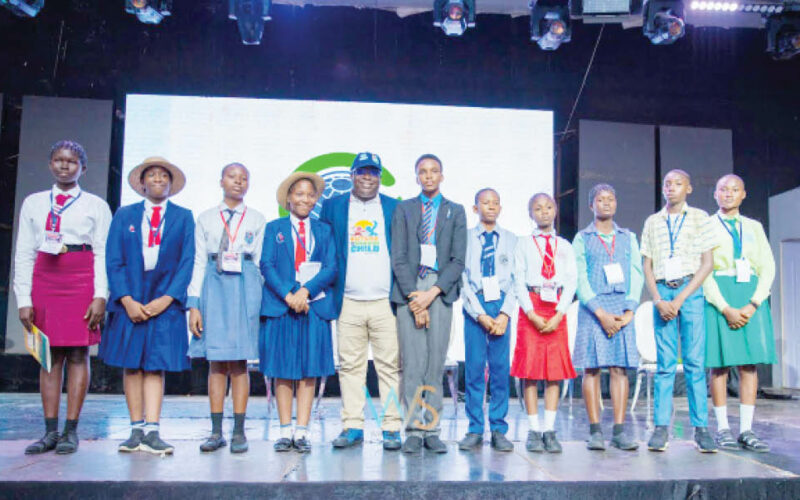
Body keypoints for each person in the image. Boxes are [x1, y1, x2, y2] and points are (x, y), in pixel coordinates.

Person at [14, 140, 112, 455]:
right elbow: (24, 252)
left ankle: (71, 431)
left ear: (83, 167)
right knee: (49, 356)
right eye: (59, 160)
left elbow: (103, 253)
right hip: (46, 277)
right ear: (50, 164)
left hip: (82, 276)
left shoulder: (95, 204)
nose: (65, 165)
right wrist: (23, 298)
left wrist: (100, 295)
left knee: (79, 354)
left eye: (72, 161)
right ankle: (49, 432)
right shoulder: (33, 202)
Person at [99, 156, 195, 456]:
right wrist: (126, 299)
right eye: (151, 175)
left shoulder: (182, 216)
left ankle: (153, 430)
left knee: (155, 366)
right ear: (142, 183)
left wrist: (167, 299)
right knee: (132, 364)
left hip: (164, 300)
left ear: (170, 183)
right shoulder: (125, 215)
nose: (158, 180)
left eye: (163, 176)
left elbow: (187, 261)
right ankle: (135, 429)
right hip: (132, 298)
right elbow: (113, 260)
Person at [320, 152, 402, 451]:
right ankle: (352, 426)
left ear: (379, 177)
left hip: (384, 301)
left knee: (389, 368)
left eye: (373, 173)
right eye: (362, 172)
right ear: (352, 176)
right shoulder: (333, 206)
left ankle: (392, 428)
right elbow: (326, 252)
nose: (368, 178)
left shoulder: (394, 207)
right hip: (349, 301)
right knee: (349, 367)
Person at [187, 163, 266, 454]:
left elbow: (259, 262)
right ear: (221, 180)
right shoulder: (206, 218)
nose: (238, 182)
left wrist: (259, 301)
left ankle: (239, 431)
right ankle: (216, 430)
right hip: (214, 284)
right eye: (233, 177)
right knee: (217, 362)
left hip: (245, 285)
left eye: (244, 178)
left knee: (240, 363)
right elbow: (197, 261)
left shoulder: (257, 219)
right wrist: (194, 304)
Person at [391, 153, 466, 454]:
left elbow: (457, 260)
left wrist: (431, 293)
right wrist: (415, 298)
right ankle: (412, 429)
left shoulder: (455, 211)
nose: (429, 176)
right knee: (412, 364)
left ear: (442, 176)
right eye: (423, 171)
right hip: (409, 290)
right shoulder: (404, 209)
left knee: (435, 364)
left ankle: (431, 428)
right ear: (417, 176)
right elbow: (398, 257)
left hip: (439, 289)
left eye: (434, 171)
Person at [259, 172, 337, 453]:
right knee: (282, 369)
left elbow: (331, 267)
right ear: (288, 199)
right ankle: (283, 431)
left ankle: (302, 431)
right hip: (282, 306)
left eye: (310, 194)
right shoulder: (273, 228)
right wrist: (290, 295)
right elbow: (266, 265)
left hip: (313, 305)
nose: (305, 199)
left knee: (309, 369)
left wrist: (305, 292)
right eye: (299, 194)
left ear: (316, 199)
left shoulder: (325, 230)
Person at [640, 169, 717, 453]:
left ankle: (701, 429)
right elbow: (646, 264)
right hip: (663, 291)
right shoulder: (653, 221)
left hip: (690, 290)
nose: (671, 188)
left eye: (677, 183)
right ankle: (661, 428)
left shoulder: (699, 218)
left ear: (689, 188)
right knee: (665, 365)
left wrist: (682, 297)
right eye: (667, 184)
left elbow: (707, 263)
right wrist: (658, 298)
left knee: (696, 363)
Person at [704, 174, 775, 452]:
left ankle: (746, 429)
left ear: (743, 194)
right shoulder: (707, 226)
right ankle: (722, 428)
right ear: (715, 194)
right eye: (723, 189)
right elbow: (704, 269)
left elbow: (768, 266)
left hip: (749, 295)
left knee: (749, 365)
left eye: (734, 190)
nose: (728, 194)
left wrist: (754, 303)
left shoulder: (754, 227)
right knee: (719, 364)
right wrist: (724, 307)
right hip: (720, 297)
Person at [573, 184, 643, 451]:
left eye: (610, 199)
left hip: (622, 307)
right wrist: (600, 313)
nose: (606, 203)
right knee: (591, 369)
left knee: (618, 369)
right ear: (591, 205)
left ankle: (619, 431)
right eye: (600, 200)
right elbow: (579, 276)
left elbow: (636, 273)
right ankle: (595, 431)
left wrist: (629, 310)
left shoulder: (628, 237)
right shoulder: (583, 237)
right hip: (594, 309)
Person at [511, 192, 577, 454]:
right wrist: (531, 312)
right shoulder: (524, 244)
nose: (544, 212)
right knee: (530, 372)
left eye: (549, 207)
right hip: (532, 306)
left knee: (553, 372)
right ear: (531, 214)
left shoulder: (564, 246)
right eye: (538, 208)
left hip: (556, 307)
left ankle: (549, 429)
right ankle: (533, 429)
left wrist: (560, 313)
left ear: (556, 210)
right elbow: (518, 279)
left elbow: (571, 281)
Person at [457, 188, 516, 452]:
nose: (490, 206)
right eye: (485, 202)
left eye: (495, 203)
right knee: (474, 370)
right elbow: (462, 278)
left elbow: (518, 279)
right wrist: (479, 313)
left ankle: (499, 428)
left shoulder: (512, 240)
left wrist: (504, 313)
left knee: (501, 371)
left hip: (501, 304)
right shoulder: (465, 239)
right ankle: (474, 428)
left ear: (501, 208)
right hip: (475, 306)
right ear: (475, 208)